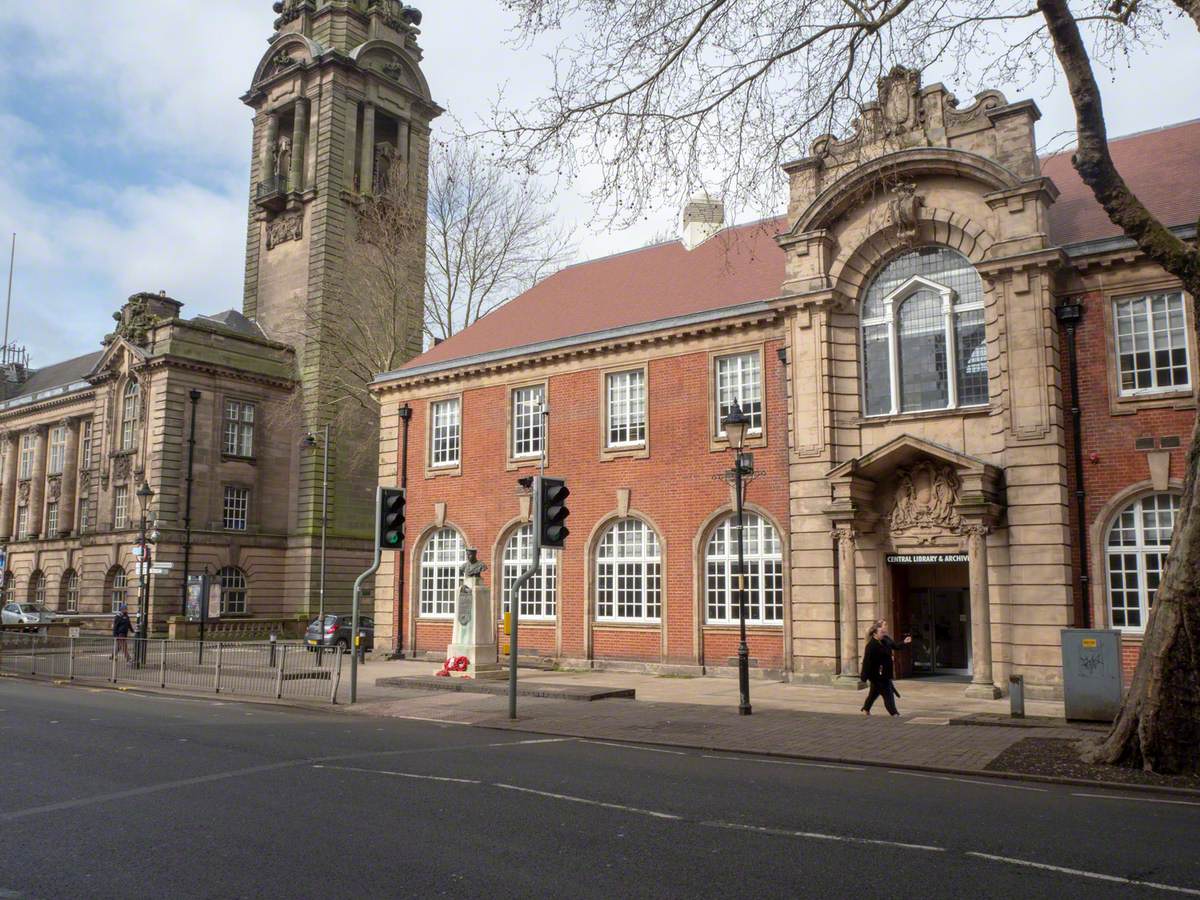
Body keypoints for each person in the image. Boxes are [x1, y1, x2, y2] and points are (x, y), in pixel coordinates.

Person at [860, 619, 912, 716]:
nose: (883, 634)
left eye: (883, 632)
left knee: (874, 693)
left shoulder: (886, 640)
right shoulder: (871, 646)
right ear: (875, 634)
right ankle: (894, 713)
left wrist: (904, 642)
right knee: (888, 693)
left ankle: (866, 708)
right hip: (877, 675)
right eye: (881, 632)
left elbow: (895, 646)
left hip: (885, 672)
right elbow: (867, 662)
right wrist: (864, 677)